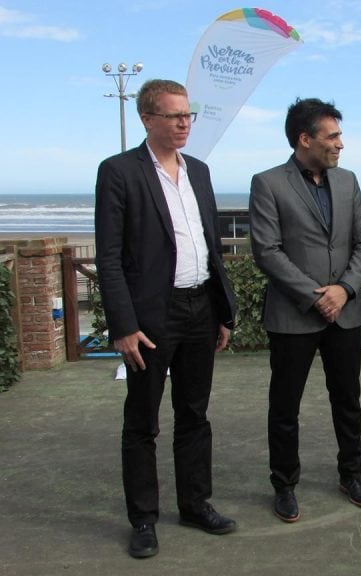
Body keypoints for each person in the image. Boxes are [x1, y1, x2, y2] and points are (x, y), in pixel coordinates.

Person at [95, 79, 238, 558]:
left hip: (200, 307)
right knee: (142, 421)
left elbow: (210, 245)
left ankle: (196, 504)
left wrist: (222, 309)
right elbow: (109, 257)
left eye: (188, 115)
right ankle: (143, 519)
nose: (184, 123)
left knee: (194, 415)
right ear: (147, 119)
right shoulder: (118, 172)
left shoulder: (199, 170)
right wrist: (123, 325)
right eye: (174, 115)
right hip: (150, 317)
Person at [249, 97, 361, 523]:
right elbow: (266, 251)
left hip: (345, 313)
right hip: (292, 316)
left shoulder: (348, 181)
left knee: (348, 401)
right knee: (285, 406)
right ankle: (284, 484)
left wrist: (343, 290)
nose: (341, 143)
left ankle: (352, 474)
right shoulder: (268, 183)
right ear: (305, 139)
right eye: (333, 135)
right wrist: (315, 295)